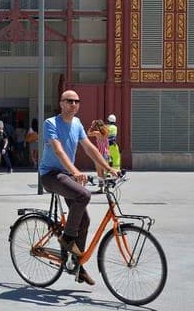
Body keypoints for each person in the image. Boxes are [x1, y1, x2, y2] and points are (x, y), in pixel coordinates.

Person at [38, 90, 118, 287]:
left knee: (85, 220)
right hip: (50, 174)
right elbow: (58, 150)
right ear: (61, 103)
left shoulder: (77, 123)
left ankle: (76, 265)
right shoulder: (51, 123)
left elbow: (89, 148)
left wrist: (108, 168)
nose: (73, 104)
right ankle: (67, 239)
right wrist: (74, 171)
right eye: (69, 101)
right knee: (84, 194)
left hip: (65, 175)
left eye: (76, 101)